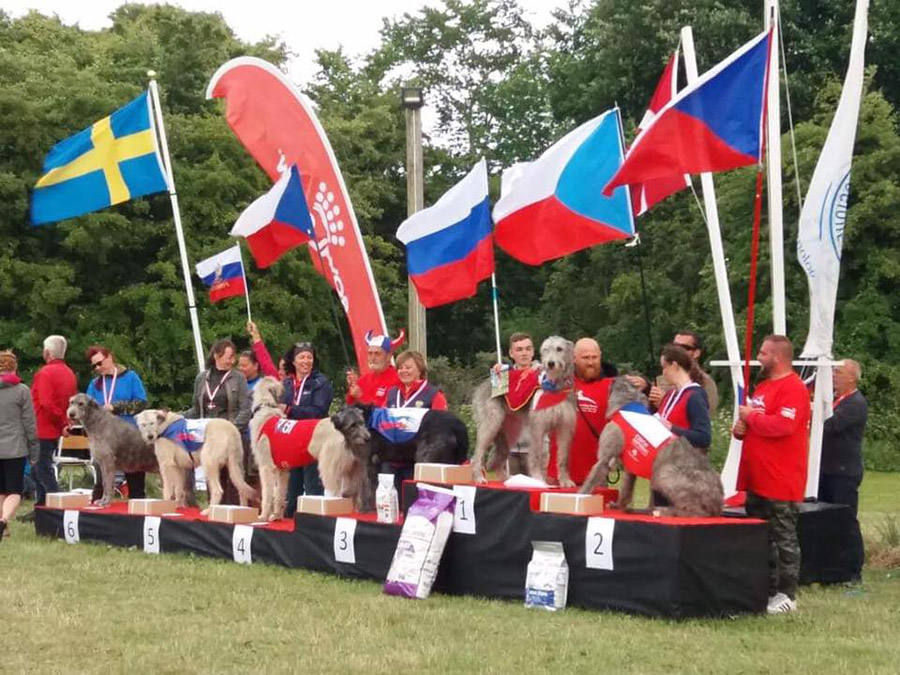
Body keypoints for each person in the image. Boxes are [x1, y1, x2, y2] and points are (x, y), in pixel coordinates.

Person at [733, 335, 810, 614]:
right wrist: (741, 427)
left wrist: (751, 417)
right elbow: (753, 422)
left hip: (781, 477)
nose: (759, 358)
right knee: (760, 536)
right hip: (757, 477)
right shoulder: (763, 387)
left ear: (777, 357)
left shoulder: (794, 389)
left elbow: (783, 426)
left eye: (763, 353)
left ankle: (787, 594)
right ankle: (764, 588)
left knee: (784, 536)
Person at [819, 358, 868, 583]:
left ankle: (853, 570)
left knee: (846, 519)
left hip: (844, 471)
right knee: (825, 519)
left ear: (851, 377)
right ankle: (830, 568)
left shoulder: (856, 403)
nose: (833, 376)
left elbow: (831, 427)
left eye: (837, 372)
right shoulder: (838, 400)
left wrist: (813, 420)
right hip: (828, 470)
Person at [186, 339, 252, 504]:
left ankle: (236, 514)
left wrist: (230, 430)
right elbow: (195, 410)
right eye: (228, 357)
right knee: (212, 477)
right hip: (208, 438)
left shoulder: (238, 378)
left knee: (233, 480)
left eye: (233, 357)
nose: (232, 361)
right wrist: (177, 417)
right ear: (216, 355)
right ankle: (215, 511)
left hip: (231, 436)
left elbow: (246, 409)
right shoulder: (202, 378)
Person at [85, 345, 148, 499]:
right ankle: (98, 510)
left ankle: (139, 513)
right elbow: (86, 409)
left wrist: (116, 407)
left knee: (135, 482)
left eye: (100, 363)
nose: (98, 368)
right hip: (104, 439)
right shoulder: (95, 384)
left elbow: (141, 402)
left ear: (110, 357)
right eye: (94, 366)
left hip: (129, 435)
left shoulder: (130, 377)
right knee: (102, 480)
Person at [282, 342, 333, 514]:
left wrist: (290, 410)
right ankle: (289, 523)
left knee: (313, 485)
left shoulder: (321, 382)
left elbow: (318, 411)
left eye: (309, 357)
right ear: (293, 361)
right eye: (302, 357)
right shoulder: (286, 384)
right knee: (292, 486)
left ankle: (314, 524)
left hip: (313, 440)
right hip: (291, 441)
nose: (306, 361)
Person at [29, 335, 77, 512]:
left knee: (42, 469)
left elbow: (46, 402)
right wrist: (63, 422)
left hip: (42, 427)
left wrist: (61, 420)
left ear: (47, 352)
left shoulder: (45, 373)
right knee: (38, 469)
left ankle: (57, 506)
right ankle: (41, 506)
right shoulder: (69, 373)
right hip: (54, 428)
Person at [0, 351, 39, 541]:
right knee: (14, 491)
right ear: (14, 367)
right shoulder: (22, 390)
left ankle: (3, 527)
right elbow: (29, 423)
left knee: (0, 491)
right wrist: (34, 449)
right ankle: (3, 519)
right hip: (14, 448)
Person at [649, 344, 711, 450]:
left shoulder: (695, 396)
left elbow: (704, 438)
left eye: (664, 367)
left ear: (674, 365)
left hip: (685, 461)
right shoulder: (669, 394)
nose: (663, 373)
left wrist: (671, 428)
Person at [500, 332, 538, 475]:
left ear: (533, 351)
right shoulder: (503, 376)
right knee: (512, 493)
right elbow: (497, 408)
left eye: (528, 349)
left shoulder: (543, 375)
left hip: (536, 447)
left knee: (536, 491)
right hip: (510, 447)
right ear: (511, 353)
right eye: (519, 349)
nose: (524, 353)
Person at [345, 330, 404, 407]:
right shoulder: (364, 379)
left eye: (377, 354)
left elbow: (384, 409)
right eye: (370, 353)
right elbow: (349, 404)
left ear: (388, 356)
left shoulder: (397, 378)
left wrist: (360, 396)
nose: (372, 358)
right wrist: (352, 386)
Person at [672, 330, 718, 416]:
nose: (676, 351)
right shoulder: (663, 379)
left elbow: (705, 415)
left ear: (696, 353)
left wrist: (663, 402)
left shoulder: (705, 382)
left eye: (683, 348)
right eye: (674, 347)